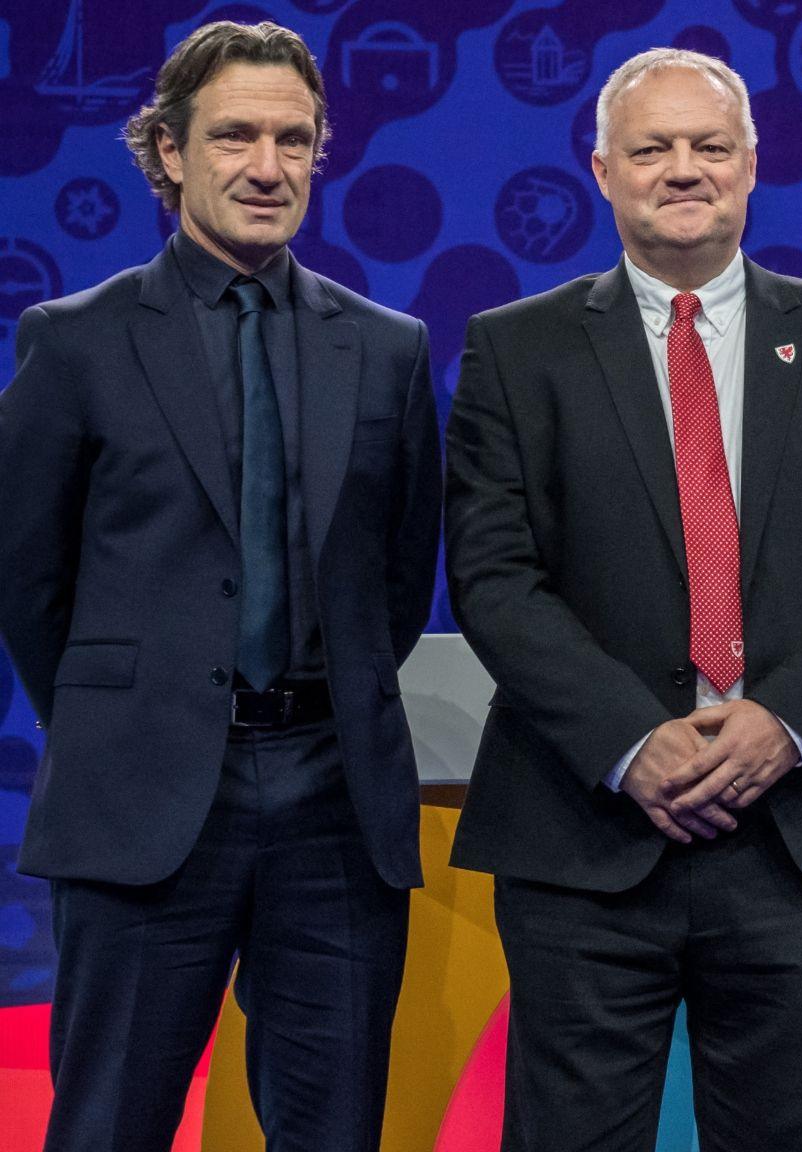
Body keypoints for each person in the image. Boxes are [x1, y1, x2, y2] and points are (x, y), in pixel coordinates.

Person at [443, 47, 802, 1152]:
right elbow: (492, 575)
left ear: (751, 166)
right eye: (652, 148)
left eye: (708, 146)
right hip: (588, 833)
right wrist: (633, 742)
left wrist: (786, 723)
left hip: (799, 834)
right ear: (601, 170)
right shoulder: (513, 349)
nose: (684, 169)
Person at [0, 20, 440, 1151]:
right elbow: (29, 577)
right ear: (168, 154)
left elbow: (397, 578)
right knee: (109, 1126)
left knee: (334, 1128)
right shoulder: (75, 340)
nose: (266, 166)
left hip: (335, 804)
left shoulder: (386, 350)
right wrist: (118, 718)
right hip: (141, 798)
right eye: (235, 135)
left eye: (294, 140)